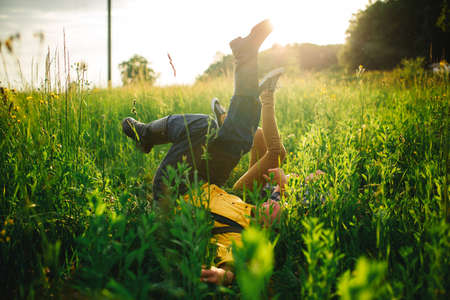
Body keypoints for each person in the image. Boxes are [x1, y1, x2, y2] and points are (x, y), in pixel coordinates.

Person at [122, 20, 288, 285]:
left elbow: (229, 263)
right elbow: (272, 194)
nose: (270, 206)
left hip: (174, 193)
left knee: (203, 126)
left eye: (271, 212)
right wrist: (279, 194)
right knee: (238, 137)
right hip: (207, 179)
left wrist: (226, 275)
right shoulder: (251, 209)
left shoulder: (236, 233)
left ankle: (147, 134)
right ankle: (246, 54)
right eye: (272, 206)